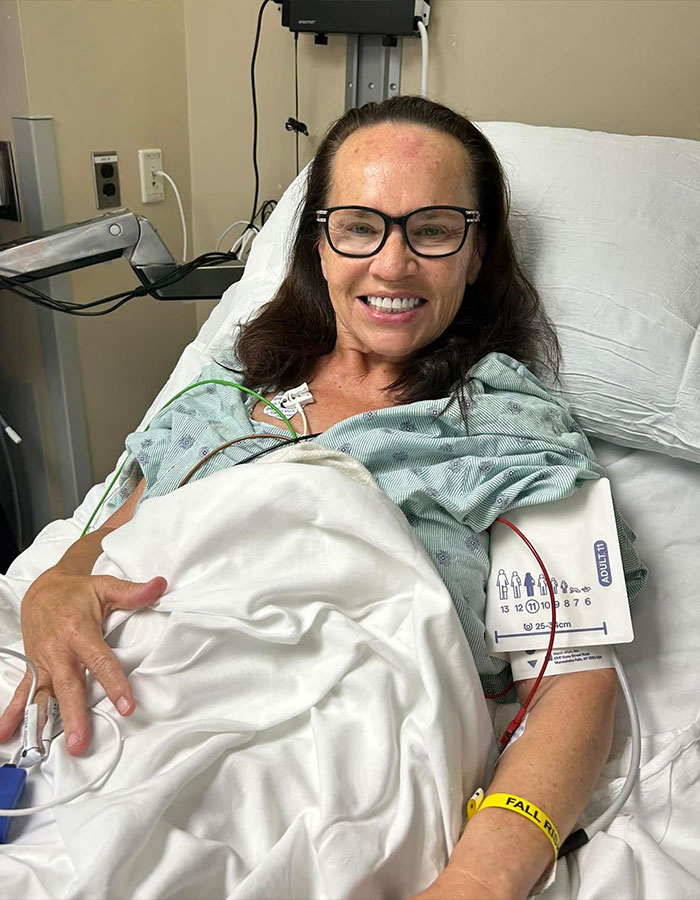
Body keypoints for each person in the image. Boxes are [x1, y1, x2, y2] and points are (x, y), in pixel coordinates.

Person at [0, 96, 646, 899]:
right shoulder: (225, 392)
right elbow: (114, 533)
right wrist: (56, 588)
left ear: (477, 253)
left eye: (433, 230)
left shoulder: (510, 430)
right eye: (360, 227)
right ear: (319, 242)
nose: (392, 264)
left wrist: (481, 880)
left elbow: (572, 682)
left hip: (327, 770)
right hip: (116, 722)